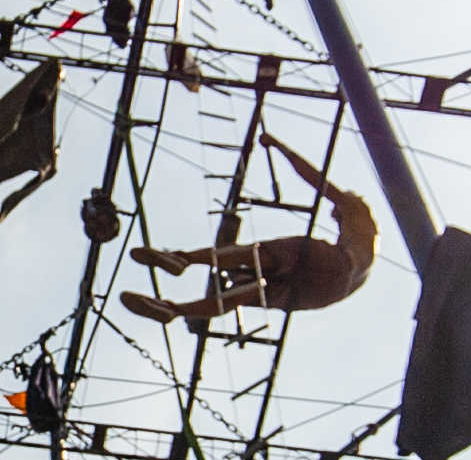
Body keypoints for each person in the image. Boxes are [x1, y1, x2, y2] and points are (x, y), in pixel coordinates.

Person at [122, 134, 378, 325]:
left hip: (334, 263)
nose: (335, 217)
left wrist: (282, 148)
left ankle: (183, 259)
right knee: (245, 292)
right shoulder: (366, 254)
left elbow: (318, 181)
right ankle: (174, 310)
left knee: (258, 255)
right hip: (326, 295)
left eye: (336, 215)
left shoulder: (356, 210)